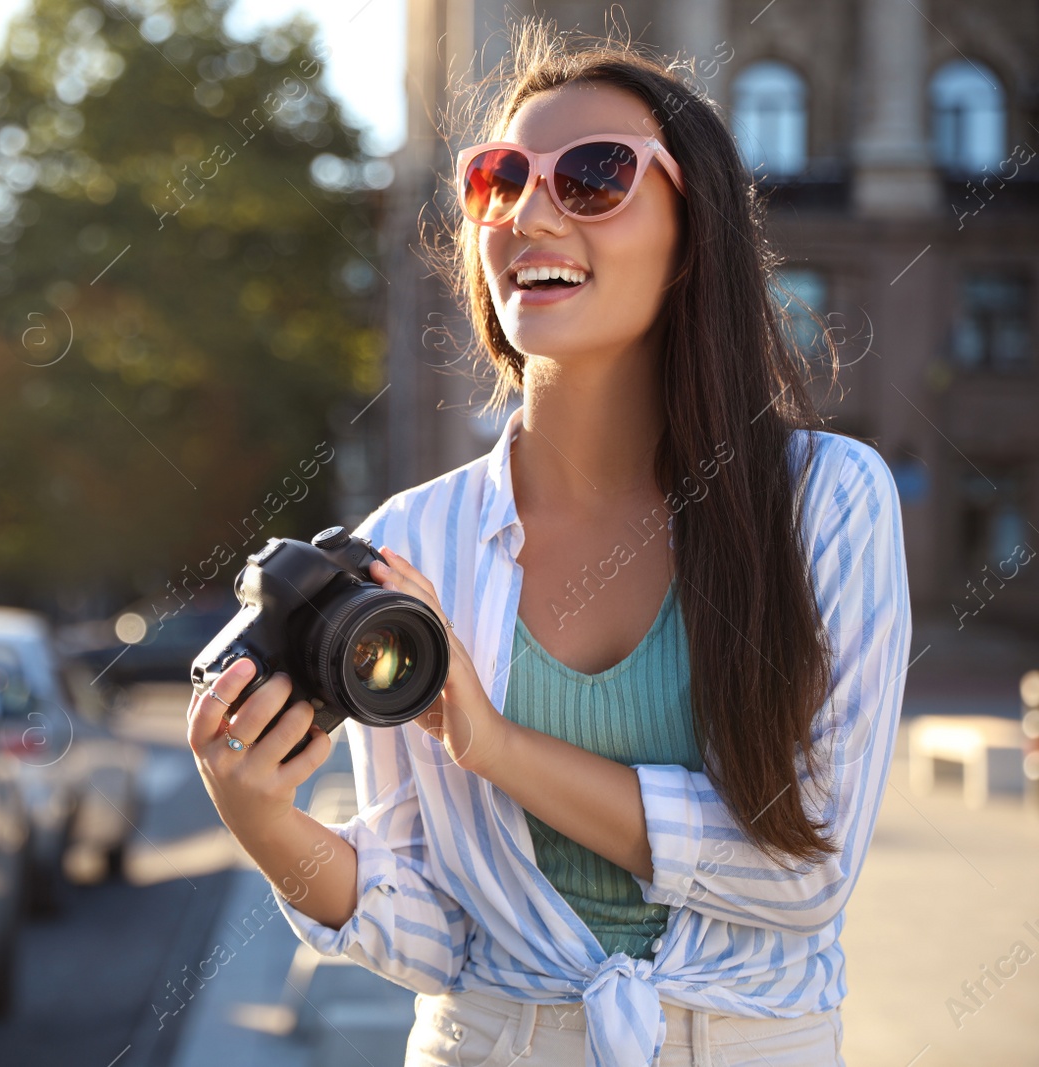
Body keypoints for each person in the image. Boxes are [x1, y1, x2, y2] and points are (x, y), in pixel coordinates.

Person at [186, 18, 911, 1067]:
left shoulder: (828, 501)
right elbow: (431, 931)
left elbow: (803, 874)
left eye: (594, 176)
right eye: (496, 179)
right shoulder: (411, 538)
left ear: (691, 226)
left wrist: (496, 744)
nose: (528, 211)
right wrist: (262, 820)